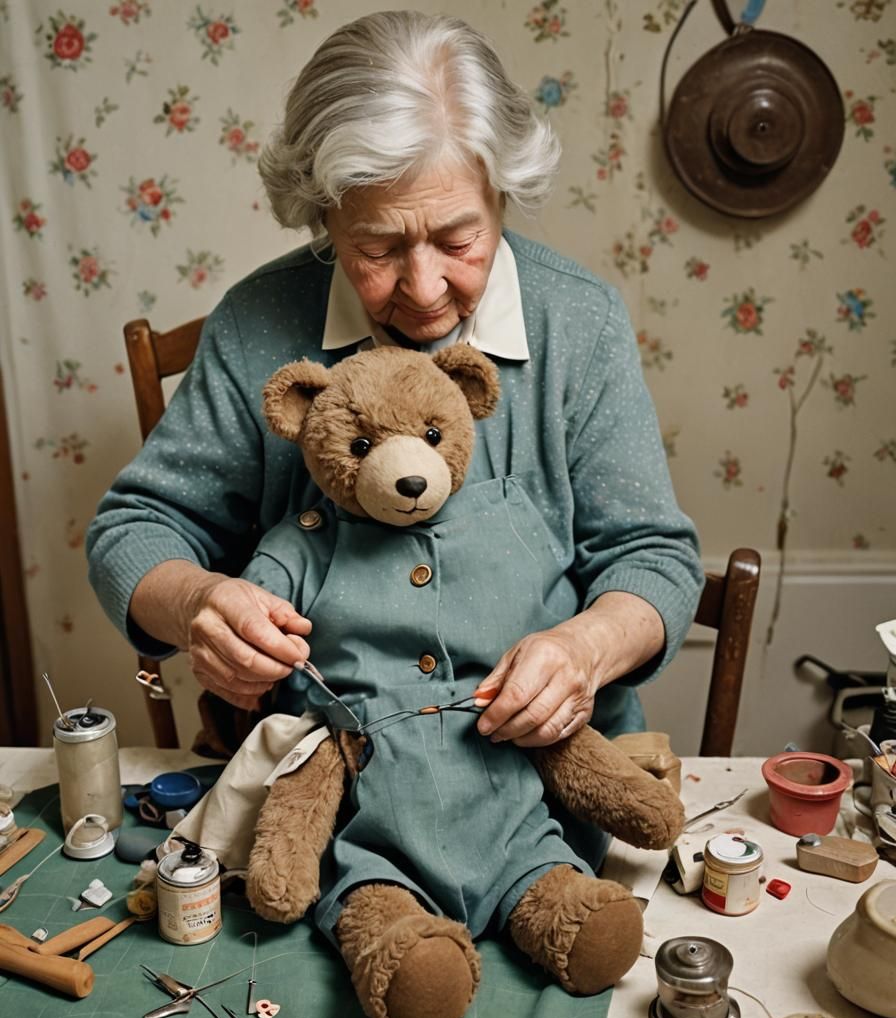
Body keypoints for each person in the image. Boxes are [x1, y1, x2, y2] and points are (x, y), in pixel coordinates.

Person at [88, 8, 702, 768]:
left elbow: (654, 559)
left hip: (548, 769)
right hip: (319, 776)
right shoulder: (257, 322)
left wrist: (589, 646)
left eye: (458, 239)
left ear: (502, 193)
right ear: (324, 217)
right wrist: (196, 606)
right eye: (376, 247)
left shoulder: (580, 321)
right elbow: (135, 529)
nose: (423, 287)